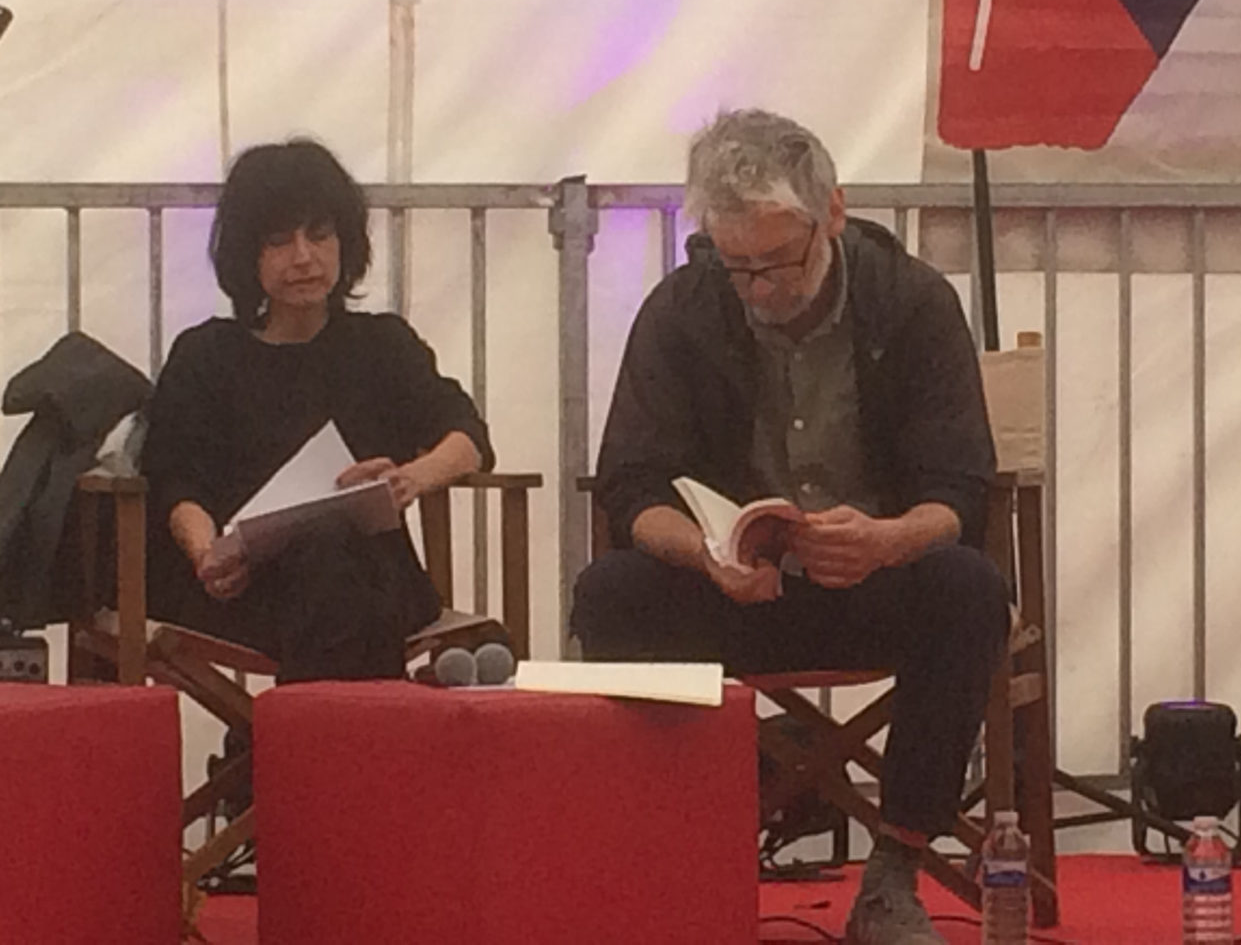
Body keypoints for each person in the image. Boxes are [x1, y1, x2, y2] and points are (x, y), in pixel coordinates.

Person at [571, 109, 1008, 945]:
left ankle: (894, 872)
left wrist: (887, 539)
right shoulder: (682, 309)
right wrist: (704, 552)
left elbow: (959, 490)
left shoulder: (913, 302)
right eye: (737, 267)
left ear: (832, 213)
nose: (760, 289)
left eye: (778, 262)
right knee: (610, 592)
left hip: (874, 582)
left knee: (970, 588)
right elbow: (631, 485)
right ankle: (684, 857)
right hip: (738, 590)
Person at [142, 139, 493, 682]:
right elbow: (176, 480)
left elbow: (467, 435)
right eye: (279, 241)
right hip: (248, 588)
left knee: (342, 568)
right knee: (338, 579)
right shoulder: (207, 355)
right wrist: (206, 553)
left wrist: (409, 480)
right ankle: (371, 726)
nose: (303, 256)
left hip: (371, 572)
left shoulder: (383, 345)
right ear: (247, 255)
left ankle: (306, 733)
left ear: (345, 242)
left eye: (320, 234)